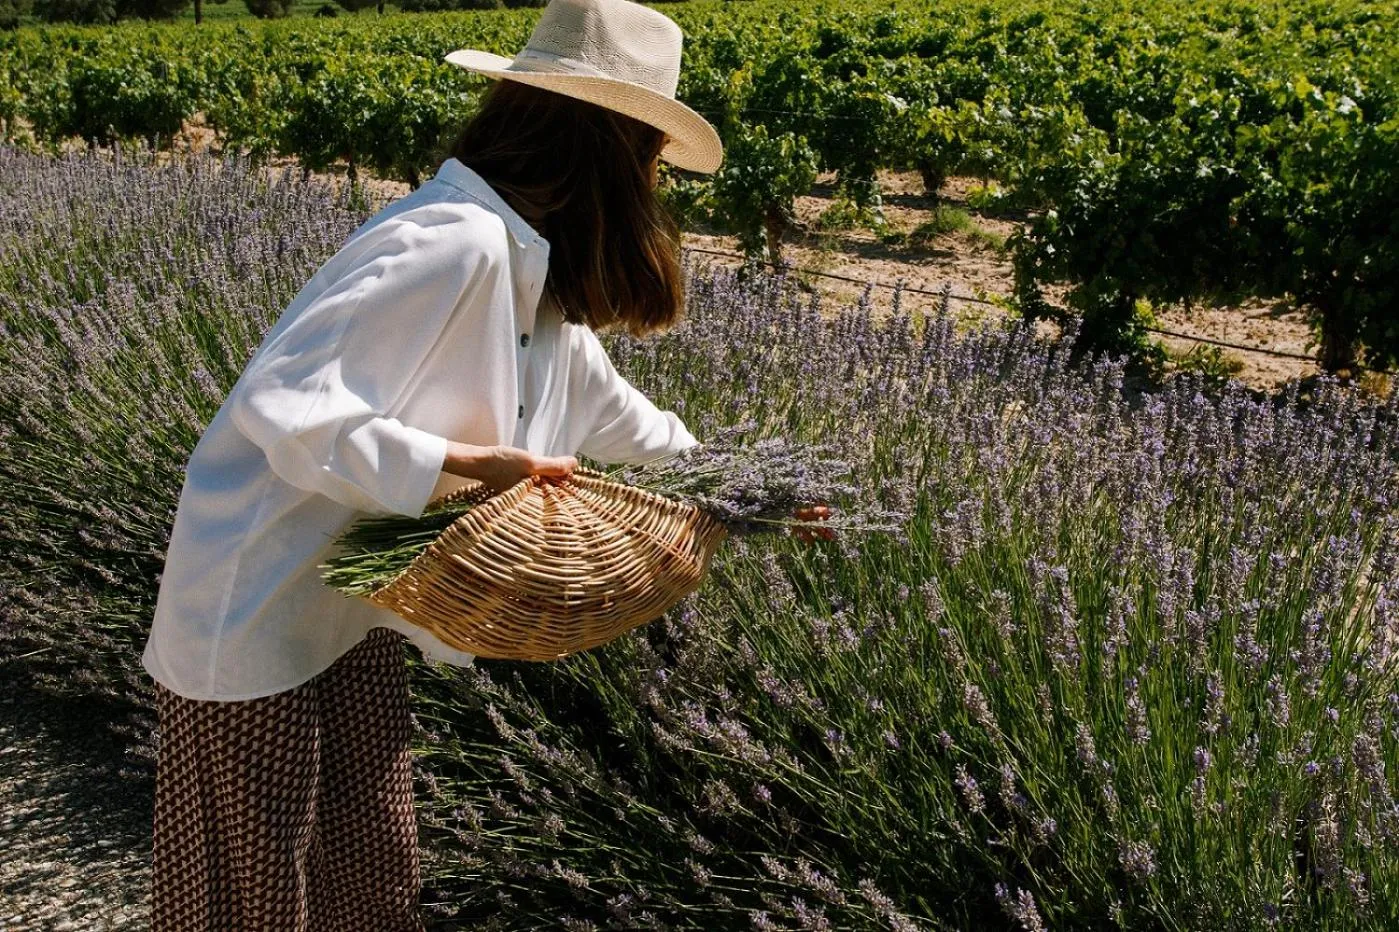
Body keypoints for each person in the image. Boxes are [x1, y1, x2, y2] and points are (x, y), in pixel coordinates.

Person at [139, 0, 739, 927]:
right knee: (248, 882)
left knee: (367, 857)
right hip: (255, 595)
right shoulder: (447, 242)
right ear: (606, 146)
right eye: (649, 150)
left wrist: (743, 489)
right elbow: (282, 400)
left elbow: (612, 410)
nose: (657, 174)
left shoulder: (528, 263)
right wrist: (457, 462)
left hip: (359, 593)